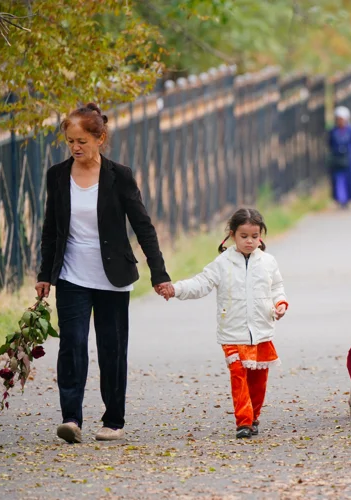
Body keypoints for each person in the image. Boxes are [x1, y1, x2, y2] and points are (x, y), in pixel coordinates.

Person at [36, 103, 172, 444]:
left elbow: (143, 226)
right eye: (70, 141)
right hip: (71, 277)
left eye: (82, 140)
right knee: (72, 345)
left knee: (112, 349)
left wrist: (159, 273)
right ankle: (71, 419)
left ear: (101, 138)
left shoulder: (119, 176)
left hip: (112, 278)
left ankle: (113, 420)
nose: (76, 147)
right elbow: (50, 229)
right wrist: (44, 274)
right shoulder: (57, 175)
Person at [158, 208, 288, 439]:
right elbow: (201, 283)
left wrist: (280, 303)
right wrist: (175, 289)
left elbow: (277, 287)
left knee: (257, 380)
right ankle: (244, 422)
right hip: (232, 333)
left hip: (261, 332)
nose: (249, 241)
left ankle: (254, 416)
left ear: (261, 236)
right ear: (232, 235)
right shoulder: (223, 263)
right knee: (239, 376)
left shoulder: (268, 262)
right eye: (244, 236)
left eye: (254, 236)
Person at [328, 106, 351, 209]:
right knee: (339, 180)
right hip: (337, 160)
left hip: (349, 159)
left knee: (349, 180)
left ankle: (347, 199)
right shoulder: (333, 131)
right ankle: (341, 199)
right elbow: (330, 144)